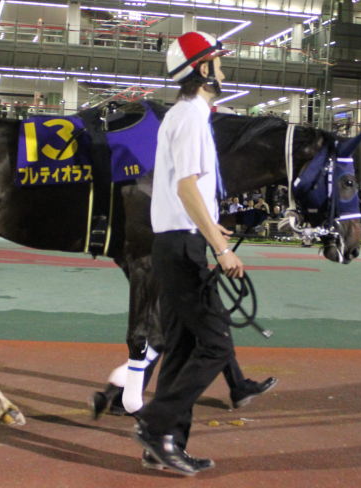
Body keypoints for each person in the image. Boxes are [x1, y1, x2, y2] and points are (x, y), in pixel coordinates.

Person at [132, 31, 246, 476]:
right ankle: (155, 423)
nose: (224, 70)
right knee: (216, 344)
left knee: (181, 348)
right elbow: (186, 187)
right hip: (183, 247)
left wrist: (210, 226)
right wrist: (221, 247)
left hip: (175, 241)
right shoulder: (193, 118)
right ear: (202, 69)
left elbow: (183, 189)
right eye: (218, 62)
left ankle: (165, 445)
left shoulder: (181, 115)